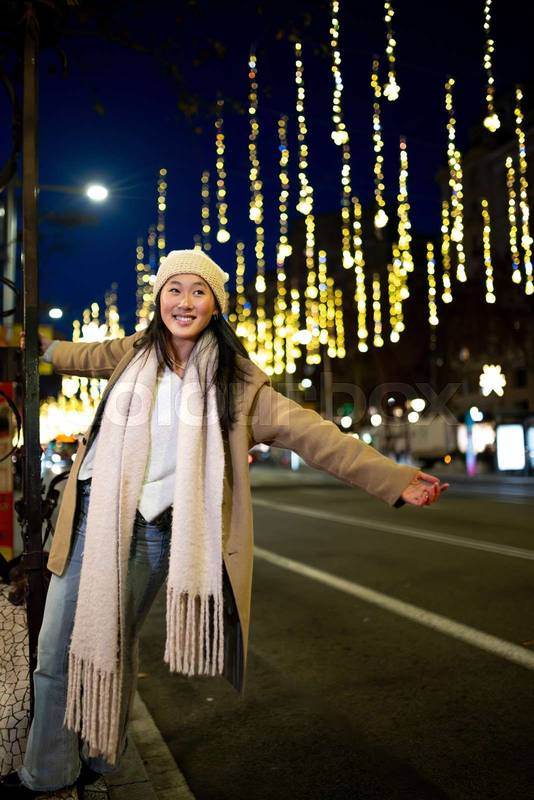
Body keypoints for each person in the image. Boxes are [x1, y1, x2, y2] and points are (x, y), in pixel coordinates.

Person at [4, 249, 448, 797]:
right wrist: (43, 348)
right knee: (58, 648)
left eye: (198, 291)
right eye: (174, 289)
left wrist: (393, 479)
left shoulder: (238, 388)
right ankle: (55, 771)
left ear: (215, 306)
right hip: (93, 515)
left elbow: (316, 436)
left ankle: (84, 762)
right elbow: (84, 354)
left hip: (155, 530)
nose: (184, 301)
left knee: (109, 646)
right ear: (159, 298)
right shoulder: (131, 355)